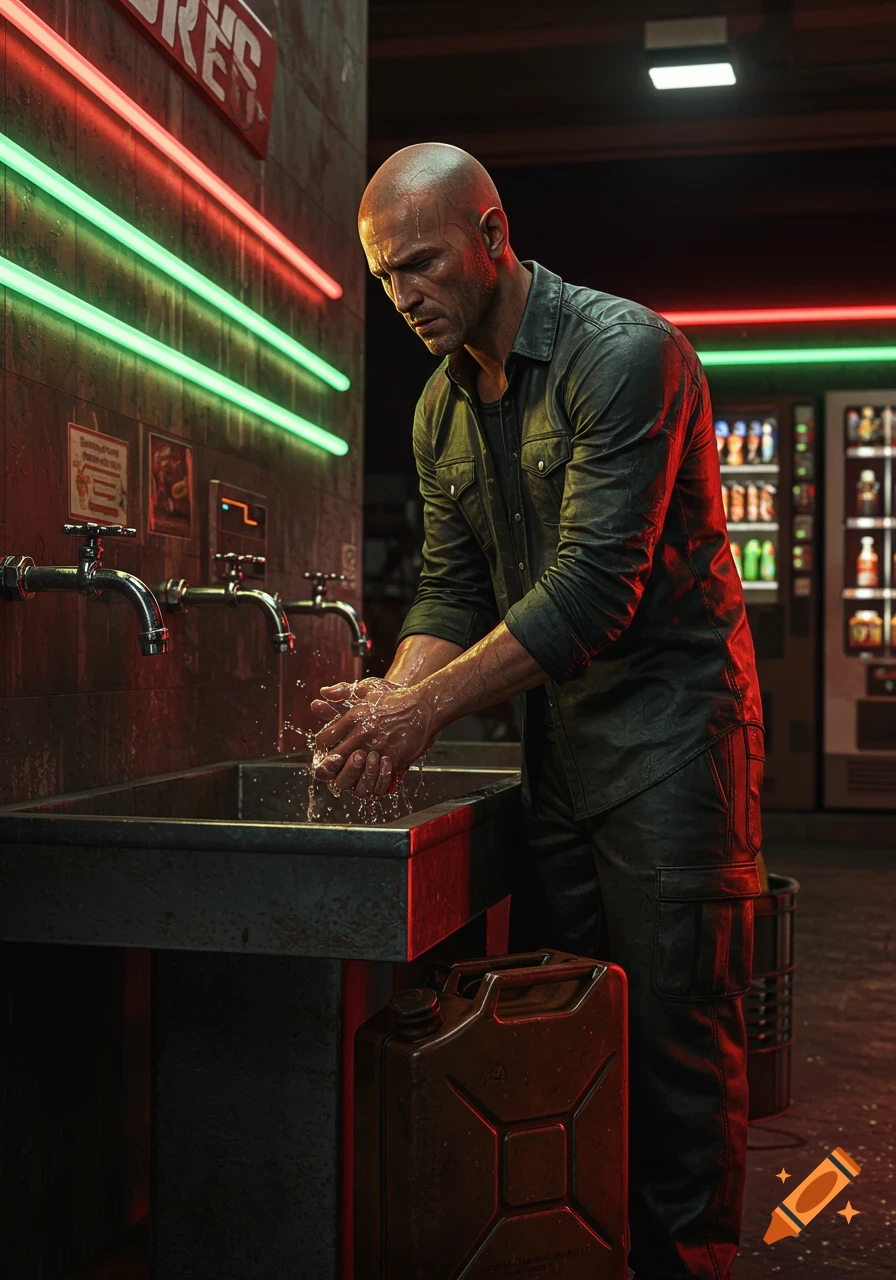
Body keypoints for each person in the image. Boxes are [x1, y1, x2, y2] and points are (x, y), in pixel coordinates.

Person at [312, 143, 764, 1280]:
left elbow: (592, 592)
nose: (403, 295)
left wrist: (417, 715)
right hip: (562, 745)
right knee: (563, 1034)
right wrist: (389, 694)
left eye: (419, 263)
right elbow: (454, 587)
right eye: (384, 279)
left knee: (672, 1046)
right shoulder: (438, 408)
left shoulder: (626, 354)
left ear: (491, 234)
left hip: (675, 743)